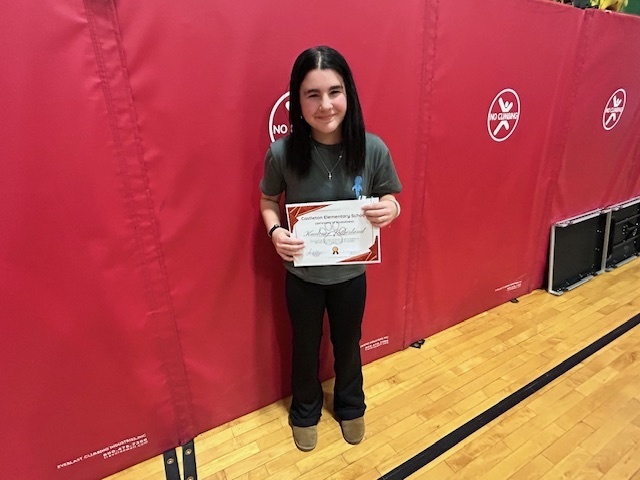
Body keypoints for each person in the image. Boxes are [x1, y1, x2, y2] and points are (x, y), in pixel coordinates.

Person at [259, 46, 402, 452]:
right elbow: (268, 202)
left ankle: (351, 405)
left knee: (348, 342)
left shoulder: (372, 149)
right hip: (302, 275)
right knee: (304, 347)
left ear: (348, 95)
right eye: (312, 94)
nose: (325, 105)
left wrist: (391, 208)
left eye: (334, 92)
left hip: (351, 276)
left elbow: (391, 196)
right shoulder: (282, 153)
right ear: (297, 101)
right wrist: (275, 233)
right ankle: (304, 411)